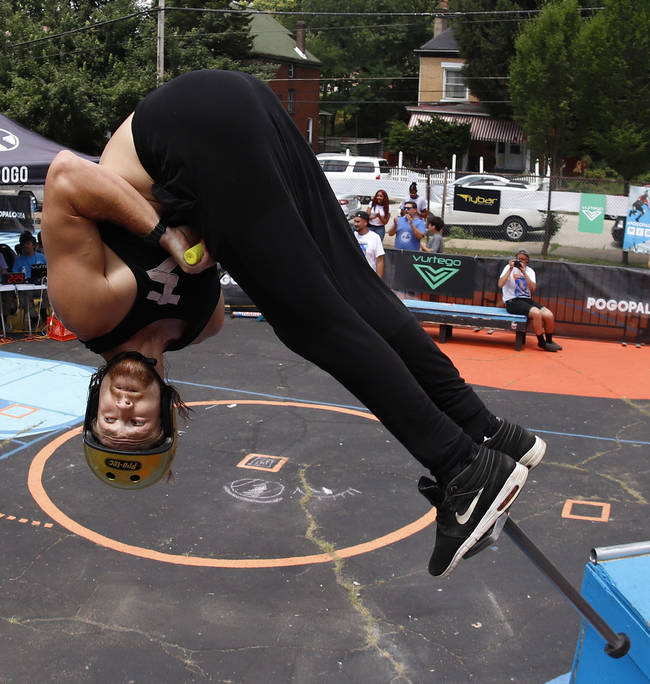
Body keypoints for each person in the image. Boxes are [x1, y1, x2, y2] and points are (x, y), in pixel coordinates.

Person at [43, 70, 543, 579]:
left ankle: (462, 468)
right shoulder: (202, 323)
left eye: (112, 422)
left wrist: (161, 233)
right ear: (166, 412)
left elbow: (64, 174)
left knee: (310, 322)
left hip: (184, 126)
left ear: (95, 401)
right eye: (137, 425)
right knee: (355, 293)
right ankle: (490, 433)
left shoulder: (89, 312)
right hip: (243, 113)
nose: (125, 409)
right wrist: (184, 228)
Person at [499, 249, 561, 352]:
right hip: (512, 301)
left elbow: (533, 288)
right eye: (518, 259)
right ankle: (541, 342)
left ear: (527, 261)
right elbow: (500, 284)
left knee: (549, 315)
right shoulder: (508, 268)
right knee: (536, 313)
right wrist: (510, 269)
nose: (520, 261)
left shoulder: (530, 271)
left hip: (526, 300)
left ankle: (549, 341)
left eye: (522, 259)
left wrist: (523, 272)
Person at [352, 212, 384, 277]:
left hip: (369, 277)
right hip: (354, 276)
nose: (355, 224)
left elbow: (380, 260)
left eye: (358, 222)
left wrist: (379, 279)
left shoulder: (375, 237)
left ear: (365, 223)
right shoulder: (352, 235)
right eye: (354, 221)